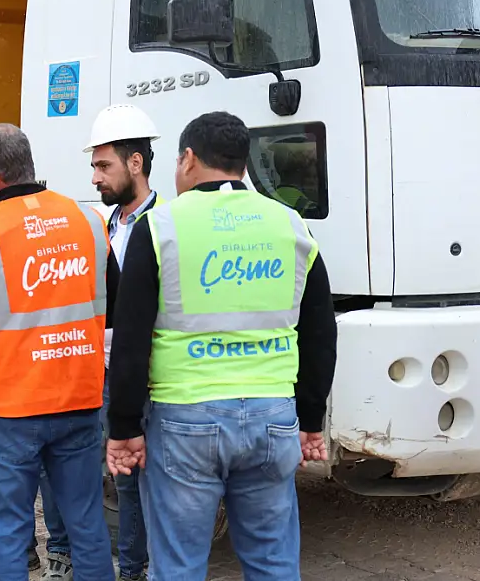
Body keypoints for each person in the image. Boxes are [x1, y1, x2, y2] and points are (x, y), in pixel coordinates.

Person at [106, 111, 337, 580]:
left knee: (178, 567)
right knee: (274, 564)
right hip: (273, 418)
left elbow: (130, 338)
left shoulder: (161, 227)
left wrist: (125, 427)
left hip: (185, 420)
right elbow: (319, 331)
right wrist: (311, 419)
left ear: (188, 159)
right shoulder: (289, 224)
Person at [0, 123, 117, 581]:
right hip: (80, 401)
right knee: (86, 525)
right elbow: (115, 308)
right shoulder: (90, 223)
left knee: (8, 535)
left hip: (9, 412)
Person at [0, 198, 70, 580]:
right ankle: (25, 553)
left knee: (30, 479)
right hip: (0, 387)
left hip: (22, 390)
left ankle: (53, 551)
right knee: (21, 483)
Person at [84, 104, 163, 581]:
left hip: (149, 372)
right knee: (123, 478)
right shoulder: (101, 226)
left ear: (136, 163)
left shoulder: (166, 227)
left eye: (103, 165)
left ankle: (150, 565)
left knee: (154, 479)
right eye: (94, 166)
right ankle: (131, 568)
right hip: (104, 370)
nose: (95, 178)